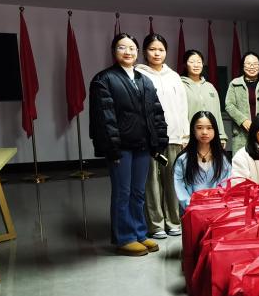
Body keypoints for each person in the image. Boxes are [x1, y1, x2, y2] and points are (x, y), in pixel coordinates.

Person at [89, 33, 168, 257]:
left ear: (137, 52)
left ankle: (139, 233)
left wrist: (159, 141)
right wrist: (111, 148)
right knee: (122, 192)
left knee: (138, 192)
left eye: (132, 48)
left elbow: (156, 113)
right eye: (122, 47)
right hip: (120, 147)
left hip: (143, 145)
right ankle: (124, 238)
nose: (128, 52)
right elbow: (105, 118)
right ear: (114, 52)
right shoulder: (104, 79)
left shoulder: (144, 80)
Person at [135, 33, 188, 239]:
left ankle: (173, 221)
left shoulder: (174, 76)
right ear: (144, 52)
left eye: (161, 50)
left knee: (172, 181)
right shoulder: (138, 74)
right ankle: (155, 224)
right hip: (149, 138)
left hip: (173, 136)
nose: (157, 53)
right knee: (151, 183)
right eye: (152, 49)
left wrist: (185, 135)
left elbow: (182, 107)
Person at [173, 111, 230, 212]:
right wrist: (191, 207)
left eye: (209, 128)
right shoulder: (183, 159)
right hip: (192, 212)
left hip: (217, 212)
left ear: (215, 130)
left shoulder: (223, 159)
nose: (204, 132)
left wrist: (215, 206)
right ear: (193, 130)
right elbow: (179, 188)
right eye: (199, 128)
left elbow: (226, 186)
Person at [226, 51, 259, 156]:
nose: (252, 67)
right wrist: (243, 121)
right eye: (248, 64)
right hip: (242, 134)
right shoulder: (234, 84)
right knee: (242, 163)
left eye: (255, 64)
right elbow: (229, 105)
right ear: (243, 66)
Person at [180, 49, 227, 148]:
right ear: (185, 65)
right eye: (192, 62)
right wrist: (184, 137)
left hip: (211, 137)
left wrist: (222, 136)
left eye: (199, 62)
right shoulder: (180, 85)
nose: (196, 65)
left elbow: (217, 113)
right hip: (190, 138)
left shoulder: (210, 87)